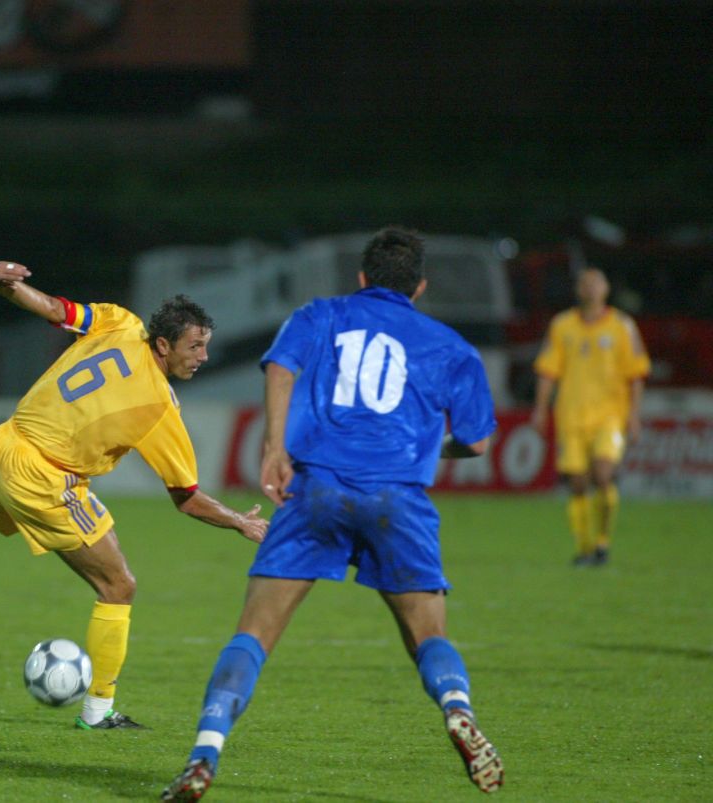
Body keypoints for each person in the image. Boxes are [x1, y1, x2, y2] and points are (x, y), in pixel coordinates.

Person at [0, 261, 267, 730]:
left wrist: (0, 284)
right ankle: (98, 712)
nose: (202, 356)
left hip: (6, 442)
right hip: (44, 476)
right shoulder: (159, 407)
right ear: (163, 345)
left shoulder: (120, 322)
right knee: (118, 585)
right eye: (195, 346)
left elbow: (54, 310)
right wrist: (241, 521)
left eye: (205, 345)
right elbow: (187, 498)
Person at [162, 227, 504, 800]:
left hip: (318, 487)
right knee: (427, 635)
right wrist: (428, 447)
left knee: (253, 635)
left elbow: (280, 368)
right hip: (399, 498)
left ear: (362, 278)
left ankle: (204, 753)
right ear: (418, 287)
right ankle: (457, 708)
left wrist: (274, 447)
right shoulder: (450, 346)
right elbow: (476, 443)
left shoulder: (319, 315)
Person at [530, 267, 650, 567]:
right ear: (578, 290)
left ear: (606, 289)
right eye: (586, 283)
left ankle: (602, 542)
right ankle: (584, 549)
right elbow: (548, 371)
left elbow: (636, 374)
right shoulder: (562, 325)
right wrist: (540, 408)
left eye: (597, 282)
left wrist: (634, 415)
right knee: (578, 483)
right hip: (571, 416)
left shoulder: (623, 325)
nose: (591, 288)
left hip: (609, 416)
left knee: (603, 474)